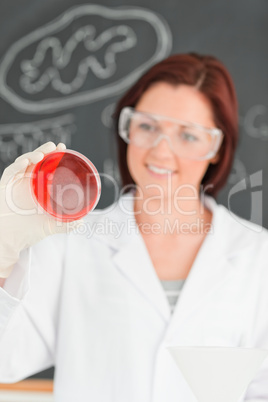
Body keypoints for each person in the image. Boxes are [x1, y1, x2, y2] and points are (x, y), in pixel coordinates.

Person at [0, 53, 268, 401]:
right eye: (147, 126)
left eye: (187, 135)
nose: (160, 151)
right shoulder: (69, 243)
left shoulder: (257, 256)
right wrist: (2, 249)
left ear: (216, 148)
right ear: (127, 129)